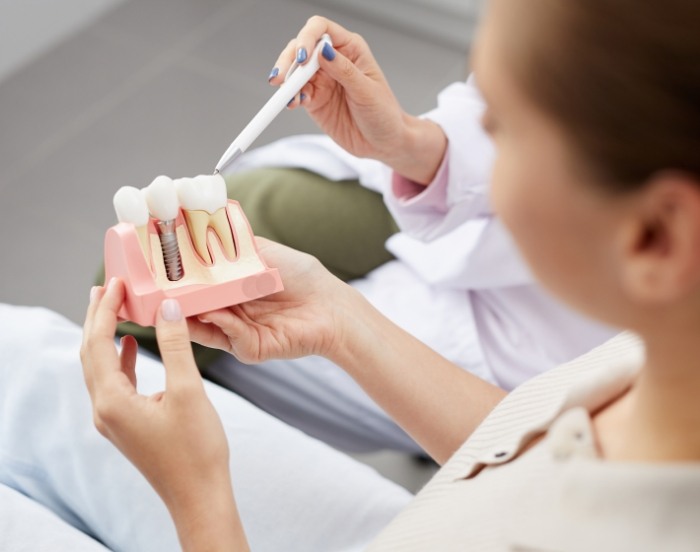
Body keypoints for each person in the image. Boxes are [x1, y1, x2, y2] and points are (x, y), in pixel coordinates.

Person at [2, 0, 699, 549]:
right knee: (19, 355)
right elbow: (547, 458)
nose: (472, 144)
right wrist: (341, 321)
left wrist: (201, 499)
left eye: (501, 127)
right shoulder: (661, 364)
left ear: (654, 237)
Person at [107, 39, 617, 455]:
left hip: (513, 358)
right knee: (254, 205)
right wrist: (410, 143)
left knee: (139, 347)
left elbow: (529, 462)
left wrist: (343, 326)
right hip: (469, 222)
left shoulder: (605, 439)